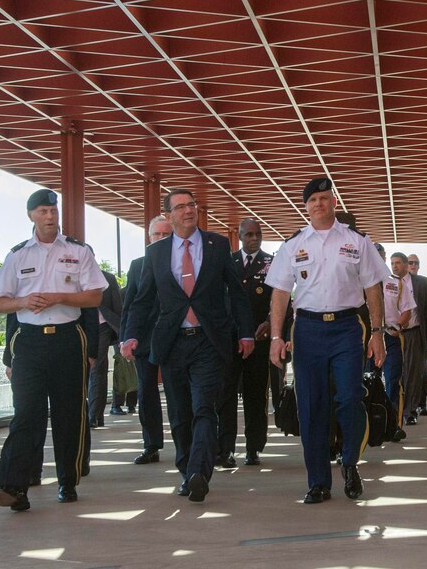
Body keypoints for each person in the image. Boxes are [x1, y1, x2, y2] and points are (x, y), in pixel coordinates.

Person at [121, 189, 255, 503]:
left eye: (191, 204)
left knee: (204, 408)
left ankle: (198, 472)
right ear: (169, 216)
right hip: (172, 343)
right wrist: (130, 335)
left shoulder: (218, 245)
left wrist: (245, 333)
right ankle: (186, 472)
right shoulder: (156, 253)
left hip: (209, 341)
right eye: (180, 207)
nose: (188, 210)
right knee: (180, 414)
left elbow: (236, 293)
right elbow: (142, 302)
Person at [266, 177, 387, 504]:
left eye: (324, 198)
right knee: (312, 405)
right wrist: (277, 337)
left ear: (333, 202)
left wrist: (377, 332)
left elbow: (373, 287)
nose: (319, 204)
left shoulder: (357, 241)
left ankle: (350, 463)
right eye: (312, 200)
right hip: (307, 330)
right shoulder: (293, 245)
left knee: (349, 397)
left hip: (347, 328)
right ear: (305, 206)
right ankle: (318, 482)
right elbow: (279, 293)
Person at [0, 189, 106, 511]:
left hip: (68, 338)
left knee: (69, 413)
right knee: (27, 413)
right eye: (43, 211)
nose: (50, 216)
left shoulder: (78, 251)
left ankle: (67, 481)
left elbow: (95, 296)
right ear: (31, 216)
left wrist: (58, 296)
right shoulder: (17, 255)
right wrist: (24, 301)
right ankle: (14, 486)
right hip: (28, 340)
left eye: (53, 210)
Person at [216, 218, 290, 468]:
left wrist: (271, 322)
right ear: (239, 236)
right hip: (230, 339)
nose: (254, 238)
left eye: (257, 234)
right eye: (248, 234)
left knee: (256, 396)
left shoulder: (272, 263)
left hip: (259, 339)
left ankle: (253, 447)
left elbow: (281, 297)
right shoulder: (227, 261)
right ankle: (225, 448)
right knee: (225, 395)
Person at [120, 215, 173, 465]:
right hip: (144, 340)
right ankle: (151, 445)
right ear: (149, 237)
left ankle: (188, 442)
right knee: (146, 393)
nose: (161, 239)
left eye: (166, 234)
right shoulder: (137, 266)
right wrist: (126, 338)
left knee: (178, 392)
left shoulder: (182, 263)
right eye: (157, 235)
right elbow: (129, 305)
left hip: (175, 338)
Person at [382, 253, 415, 426]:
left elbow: (407, 311)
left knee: (393, 381)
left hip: (391, 336)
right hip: (366, 338)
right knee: (363, 380)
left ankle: (393, 424)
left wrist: (398, 326)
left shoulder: (396, 283)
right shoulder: (359, 281)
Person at [87, 266, 123, 425]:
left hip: (102, 327)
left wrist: (123, 333)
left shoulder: (107, 278)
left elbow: (118, 306)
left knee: (97, 370)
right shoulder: (71, 276)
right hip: (78, 328)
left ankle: (94, 416)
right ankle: (88, 414)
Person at [406, 253, 427, 420]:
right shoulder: (393, 282)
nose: (412, 265)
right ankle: (406, 407)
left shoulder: (423, 283)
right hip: (398, 334)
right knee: (405, 372)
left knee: (420, 370)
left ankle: (420, 403)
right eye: (410, 262)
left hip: (419, 333)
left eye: (415, 263)